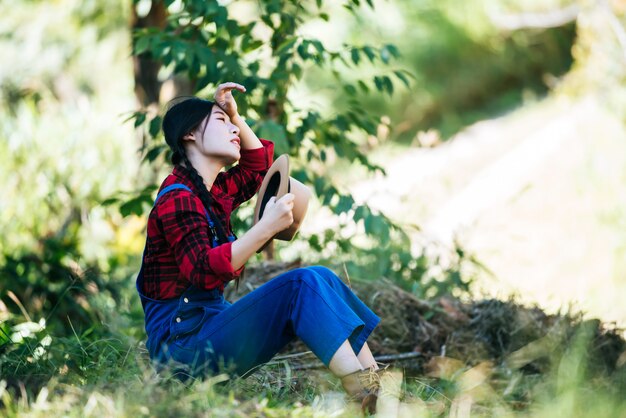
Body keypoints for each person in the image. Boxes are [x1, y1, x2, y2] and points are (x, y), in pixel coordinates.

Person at [136, 82, 387, 413]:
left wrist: (235, 114)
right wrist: (264, 228)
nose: (232, 129)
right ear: (190, 135)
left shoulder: (211, 192)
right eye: (220, 121)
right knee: (301, 283)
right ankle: (362, 396)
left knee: (321, 276)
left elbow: (257, 167)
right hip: (183, 353)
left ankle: (374, 388)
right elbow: (203, 271)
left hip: (210, 330)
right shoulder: (178, 199)